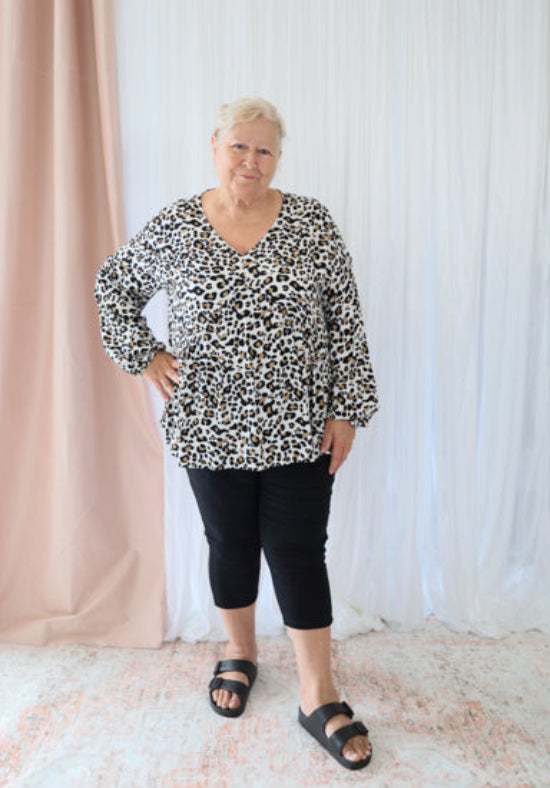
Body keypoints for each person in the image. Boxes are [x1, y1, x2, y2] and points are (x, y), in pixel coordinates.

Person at [95, 97, 378, 771]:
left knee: (299, 550)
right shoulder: (175, 227)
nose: (250, 161)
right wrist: (146, 355)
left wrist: (347, 410)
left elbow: (346, 319)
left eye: (265, 150)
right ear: (214, 146)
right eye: (239, 147)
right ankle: (239, 652)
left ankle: (318, 692)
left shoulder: (310, 222)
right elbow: (113, 287)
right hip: (208, 425)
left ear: (277, 158)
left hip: (299, 425)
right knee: (229, 543)